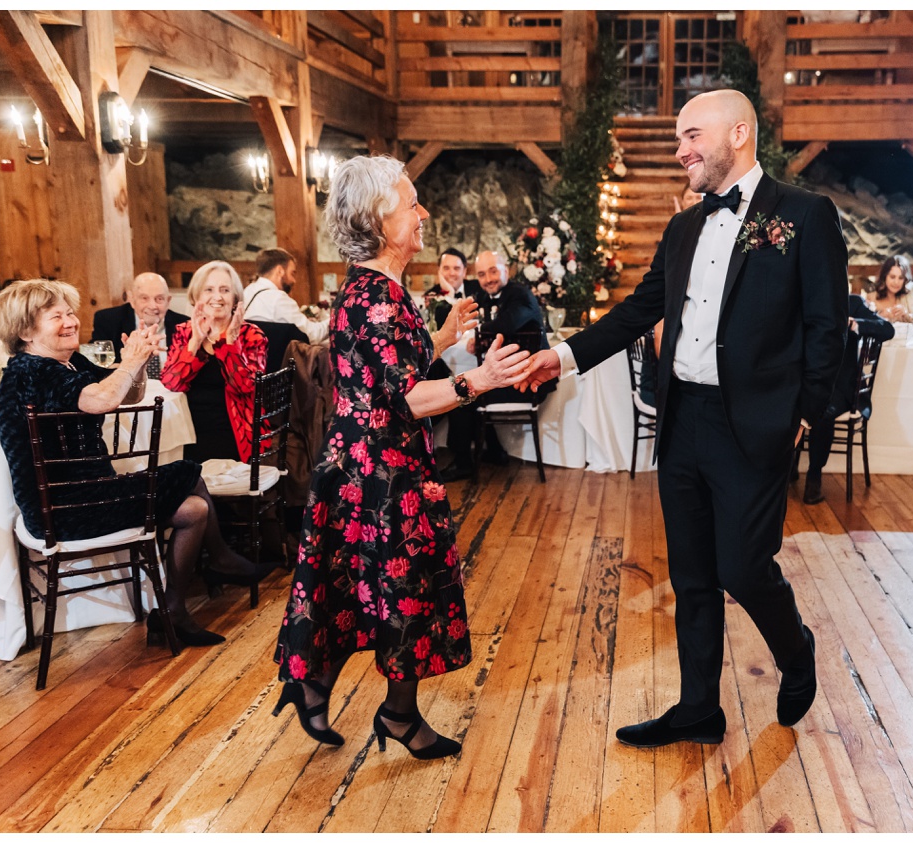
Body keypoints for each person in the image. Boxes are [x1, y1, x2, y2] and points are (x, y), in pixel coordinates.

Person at [513, 89, 847, 747]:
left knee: (743, 566)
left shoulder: (804, 216)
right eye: (678, 138)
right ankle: (699, 707)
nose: (680, 151)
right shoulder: (683, 226)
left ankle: (796, 646)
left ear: (740, 133)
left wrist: (806, 415)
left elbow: (826, 326)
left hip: (753, 424)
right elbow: (639, 312)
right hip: (683, 419)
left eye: (692, 135)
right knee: (692, 573)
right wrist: (561, 356)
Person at [272, 154, 526, 758]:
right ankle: (393, 713)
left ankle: (323, 686)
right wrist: (480, 380)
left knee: (366, 585)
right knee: (399, 587)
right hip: (381, 471)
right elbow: (408, 397)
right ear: (379, 218)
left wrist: (439, 336)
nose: (423, 212)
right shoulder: (377, 298)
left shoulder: (374, 290)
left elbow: (388, 370)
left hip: (363, 462)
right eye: (412, 203)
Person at [0, 279, 262, 648]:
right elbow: (102, 399)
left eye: (70, 312)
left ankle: (174, 608)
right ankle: (214, 566)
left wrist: (136, 364)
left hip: (91, 493)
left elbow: (126, 393)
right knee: (187, 471)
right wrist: (132, 362)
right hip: (64, 507)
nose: (71, 321)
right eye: (57, 316)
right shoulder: (32, 371)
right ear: (25, 330)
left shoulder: (66, 362)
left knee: (195, 508)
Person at [434, 250, 554, 481]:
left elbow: (509, 322)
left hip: (528, 381)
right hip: (508, 377)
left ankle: (463, 462)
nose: (488, 278)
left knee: (462, 392)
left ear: (505, 271)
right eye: (481, 274)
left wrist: (479, 336)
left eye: (493, 271)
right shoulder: (487, 297)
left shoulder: (520, 294)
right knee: (470, 383)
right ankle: (496, 451)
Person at [161, 260, 271, 462]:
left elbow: (244, 386)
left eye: (225, 290)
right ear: (196, 297)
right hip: (186, 428)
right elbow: (172, 383)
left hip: (234, 430)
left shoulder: (252, 336)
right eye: (208, 289)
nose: (217, 297)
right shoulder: (184, 332)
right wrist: (195, 341)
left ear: (235, 297)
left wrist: (230, 343)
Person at [800, 291, 894, 504]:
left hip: (842, 388)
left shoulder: (851, 302)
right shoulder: (806, 300)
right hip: (808, 382)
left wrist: (856, 324)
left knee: (821, 413)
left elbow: (887, 329)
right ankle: (786, 471)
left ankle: (814, 474)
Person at [89, 272, 189, 378]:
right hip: (127, 390)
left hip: (172, 391)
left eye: (159, 299)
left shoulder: (184, 325)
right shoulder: (108, 320)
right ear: (132, 300)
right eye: (144, 298)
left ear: (168, 301)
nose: (152, 306)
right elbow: (98, 366)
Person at [241, 248, 330, 344]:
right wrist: (336, 319)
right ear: (280, 271)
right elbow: (311, 335)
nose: (294, 280)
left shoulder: (247, 291)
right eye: (292, 273)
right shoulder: (277, 298)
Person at [866, 255, 913, 325]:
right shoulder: (871, 298)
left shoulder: (911, 296)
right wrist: (880, 316)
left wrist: (906, 314)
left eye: (900, 278)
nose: (896, 282)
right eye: (892, 277)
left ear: (905, 279)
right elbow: (865, 325)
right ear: (885, 277)